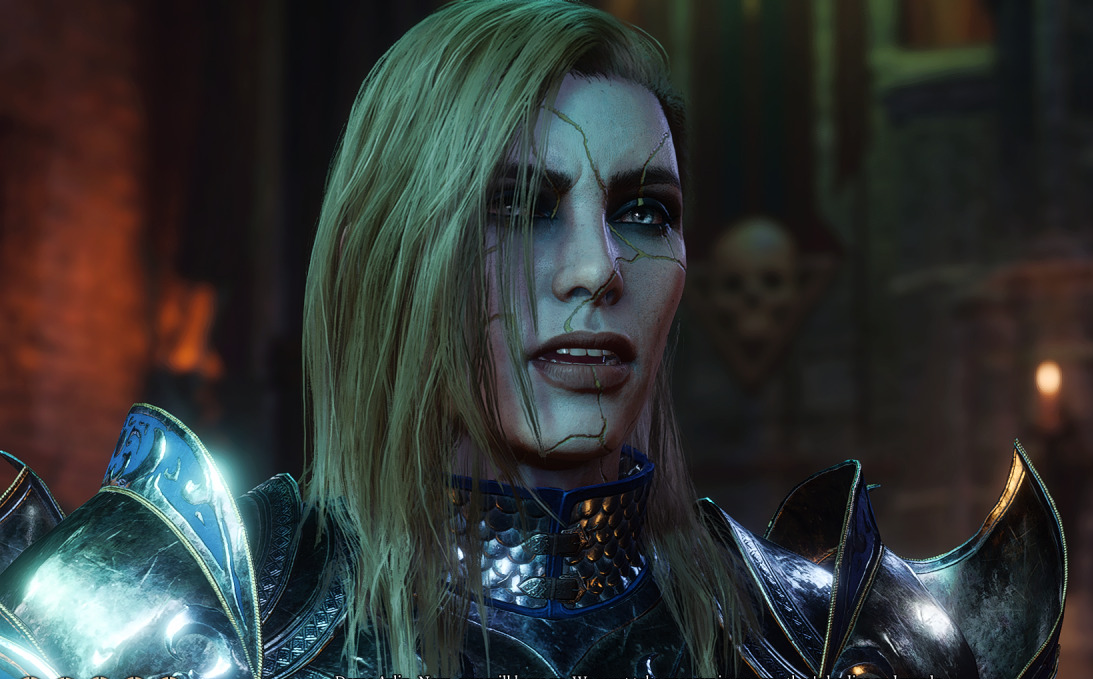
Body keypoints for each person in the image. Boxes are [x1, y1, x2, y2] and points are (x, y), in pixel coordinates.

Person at [0, 1, 1066, 677]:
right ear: (393, 252)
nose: (597, 267)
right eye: (517, 205)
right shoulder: (178, 619)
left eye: (643, 210)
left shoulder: (838, 646)